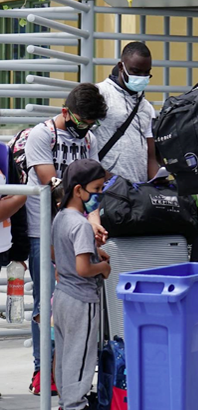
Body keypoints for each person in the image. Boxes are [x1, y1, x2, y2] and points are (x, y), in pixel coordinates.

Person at [24, 83, 107, 396]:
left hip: (74, 225)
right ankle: (41, 370)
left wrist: (94, 223)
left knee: (69, 299)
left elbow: (94, 186)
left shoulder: (90, 138)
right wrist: (82, 219)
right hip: (42, 228)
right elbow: (54, 184)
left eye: (91, 123)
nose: (86, 129)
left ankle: (65, 373)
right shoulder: (41, 135)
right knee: (44, 301)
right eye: (82, 121)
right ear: (65, 112)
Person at [52, 159, 110, 410]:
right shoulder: (82, 225)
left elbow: (56, 253)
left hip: (63, 295)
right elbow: (84, 269)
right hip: (82, 300)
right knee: (81, 353)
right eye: (96, 189)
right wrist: (103, 268)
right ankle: (76, 404)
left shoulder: (60, 217)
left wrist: (94, 251)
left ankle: (67, 400)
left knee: (65, 352)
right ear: (78, 190)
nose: (99, 195)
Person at [94, 41, 160, 182]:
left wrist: (157, 181)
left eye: (146, 72)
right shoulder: (99, 94)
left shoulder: (146, 107)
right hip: (105, 187)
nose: (141, 77)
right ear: (121, 67)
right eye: (135, 71)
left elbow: (151, 156)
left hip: (138, 190)